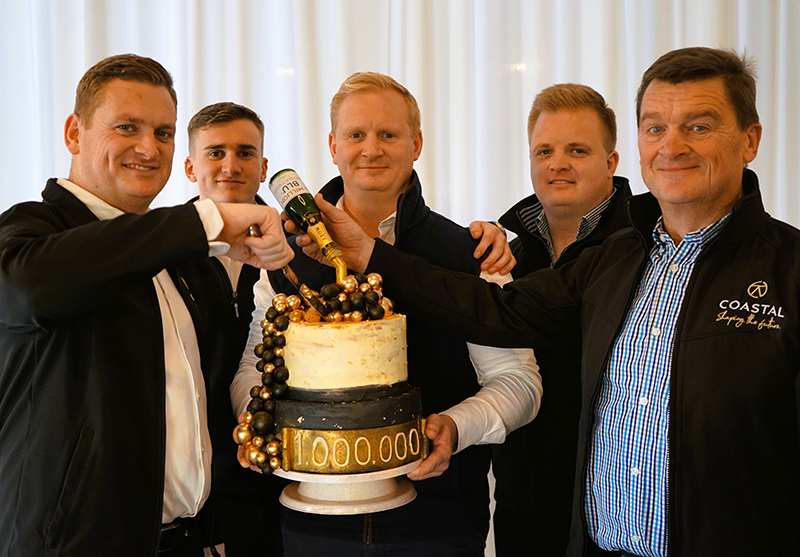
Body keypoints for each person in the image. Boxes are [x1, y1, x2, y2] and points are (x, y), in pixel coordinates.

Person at [298, 47, 799, 557]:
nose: (672, 146)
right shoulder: (615, 258)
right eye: (655, 128)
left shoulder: (789, 270)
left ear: (750, 140)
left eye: (698, 127)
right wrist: (368, 252)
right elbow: (496, 311)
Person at [232, 72, 542, 556]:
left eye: (389, 134)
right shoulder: (286, 257)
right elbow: (255, 366)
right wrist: (255, 420)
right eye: (356, 134)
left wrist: (455, 427)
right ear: (333, 146)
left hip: (437, 525)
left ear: (416, 144)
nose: (371, 149)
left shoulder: (470, 253)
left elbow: (519, 383)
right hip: (311, 524)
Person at [0, 54, 294, 557]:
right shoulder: (32, 230)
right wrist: (206, 222)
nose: (148, 148)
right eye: (126, 127)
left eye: (163, 133)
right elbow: (27, 289)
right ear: (74, 133)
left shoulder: (172, 256)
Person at [471, 84, 632, 556]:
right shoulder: (504, 259)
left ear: (611, 161)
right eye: (544, 151)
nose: (557, 163)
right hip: (524, 505)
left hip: (621, 512)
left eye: (577, 150)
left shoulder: (645, 251)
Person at [179, 102, 287, 556]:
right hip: (196, 479)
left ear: (263, 167)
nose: (231, 166)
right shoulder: (161, 253)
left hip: (288, 469)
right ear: (190, 166)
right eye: (215, 152)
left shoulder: (301, 245)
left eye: (245, 153)